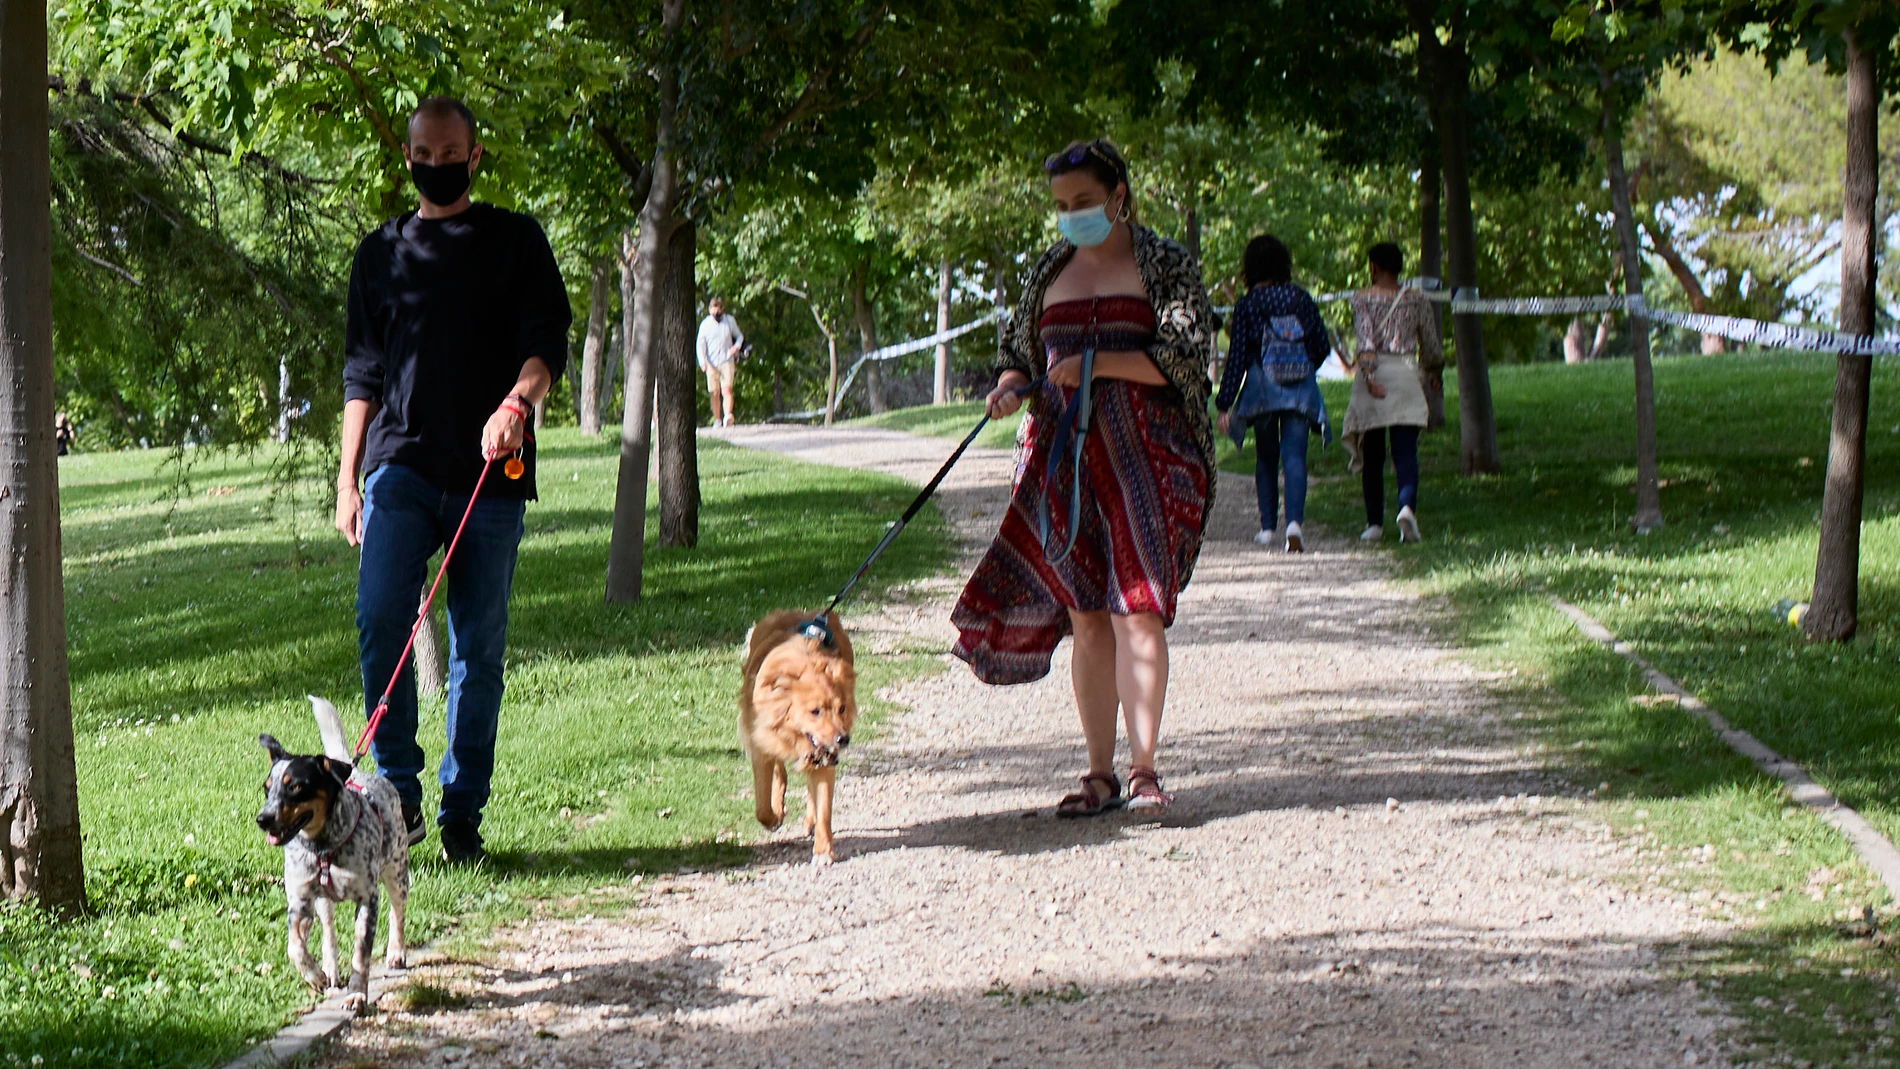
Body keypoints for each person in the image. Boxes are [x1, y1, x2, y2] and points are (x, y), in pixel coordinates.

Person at [336, 96, 571, 865]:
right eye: (422, 155)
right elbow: (361, 376)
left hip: (488, 476)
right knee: (380, 618)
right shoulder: (379, 254)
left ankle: (463, 813)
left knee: (479, 646)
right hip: (397, 467)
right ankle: (395, 798)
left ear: (475, 156)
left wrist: (517, 403)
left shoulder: (515, 241)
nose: (435, 167)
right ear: (406, 158)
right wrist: (347, 481)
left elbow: (545, 350)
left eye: (449, 154)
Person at [952, 138, 1216, 815]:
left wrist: (1097, 362)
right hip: (1060, 462)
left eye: (1085, 203)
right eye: (1062, 207)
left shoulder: (1166, 265)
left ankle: (1145, 769)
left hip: (1146, 456)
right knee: (1088, 615)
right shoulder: (1049, 269)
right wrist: (1011, 387)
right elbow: (1017, 353)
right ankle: (1098, 771)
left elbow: (1184, 361)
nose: (1072, 216)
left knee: (1139, 608)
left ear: (1119, 194)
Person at [1213, 235, 1331, 552]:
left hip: (1262, 390)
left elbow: (1236, 357)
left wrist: (1224, 404)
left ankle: (1267, 528)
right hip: (1300, 393)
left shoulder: (1248, 304)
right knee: (1295, 457)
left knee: (1266, 458)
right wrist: (1302, 367)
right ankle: (1295, 523)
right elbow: (1322, 345)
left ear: (1250, 267)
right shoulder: (1300, 298)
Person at [1342, 243, 1440, 544]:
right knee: (1406, 452)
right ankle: (1407, 509)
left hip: (1377, 376)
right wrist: (1435, 371)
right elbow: (1431, 344)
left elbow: (1366, 340)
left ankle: (1374, 524)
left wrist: (1369, 376)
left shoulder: (1361, 299)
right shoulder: (1417, 300)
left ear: (1374, 267)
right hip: (1407, 375)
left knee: (1373, 454)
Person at [696, 296, 743, 427]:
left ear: (722, 309)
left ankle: (728, 415)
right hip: (711, 363)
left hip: (727, 360)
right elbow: (700, 344)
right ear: (709, 310)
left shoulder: (729, 321)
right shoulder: (705, 325)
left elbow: (739, 336)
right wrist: (702, 361)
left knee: (727, 389)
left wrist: (736, 347)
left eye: (718, 311)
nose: (716, 314)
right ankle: (717, 418)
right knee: (714, 392)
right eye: (713, 311)